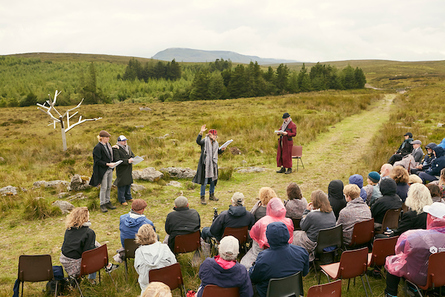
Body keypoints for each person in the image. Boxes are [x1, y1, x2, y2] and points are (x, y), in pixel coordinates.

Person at [384, 202, 445, 297]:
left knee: (394, 261)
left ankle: (391, 294)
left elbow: (400, 250)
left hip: (422, 276)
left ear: (430, 218)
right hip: (441, 276)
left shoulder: (415, 237)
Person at [249, 222, 309, 297]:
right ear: (287, 234)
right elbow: (304, 273)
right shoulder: (301, 251)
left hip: (268, 293)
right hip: (293, 292)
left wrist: (252, 267)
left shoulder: (264, 258)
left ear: (268, 237)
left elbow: (253, 278)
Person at [59, 207, 117, 282]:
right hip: (77, 267)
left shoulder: (69, 229)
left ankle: (108, 265)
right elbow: (89, 254)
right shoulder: (89, 232)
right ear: (85, 217)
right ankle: (92, 279)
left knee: (95, 244)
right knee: (95, 252)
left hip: (65, 262)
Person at [240, 197, 294, 269]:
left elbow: (254, 235)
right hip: (283, 253)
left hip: (266, 253)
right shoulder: (289, 221)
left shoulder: (263, 221)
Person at [292, 190, 336, 260]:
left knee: (294, 235)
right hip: (329, 241)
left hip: (314, 243)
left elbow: (303, 226)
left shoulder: (312, 215)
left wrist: (306, 211)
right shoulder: (331, 212)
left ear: (314, 202)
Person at [134, 224, 177, 295]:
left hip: (147, 287)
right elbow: (174, 264)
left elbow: (138, 269)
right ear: (154, 235)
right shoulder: (164, 248)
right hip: (167, 282)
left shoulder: (138, 252)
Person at [192, 125, 226, 205]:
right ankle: (202, 197)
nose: (215, 137)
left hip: (213, 165)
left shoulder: (216, 143)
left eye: (216, 135)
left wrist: (222, 150)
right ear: (209, 135)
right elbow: (198, 141)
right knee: (204, 181)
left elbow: (216, 152)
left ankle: (211, 195)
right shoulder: (204, 141)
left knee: (213, 181)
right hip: (205, 165)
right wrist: (201, 132)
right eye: (214, 135)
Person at [89, 130, 117, 213]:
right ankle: (102, 204)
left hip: (109, 169)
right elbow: (97, 161)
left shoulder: (108, 145)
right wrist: (107, 164)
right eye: (106, 137)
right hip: (102, 170)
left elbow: (109, 154)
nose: (108, 139)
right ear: (101, 138)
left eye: (108, 137)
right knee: (103, 187)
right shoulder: (97, 147)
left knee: (109, 186)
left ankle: (107, 201)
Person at [112, 135, 135, 206]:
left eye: (125, 140)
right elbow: (117, 159)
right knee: (122, 184)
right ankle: (122, 200)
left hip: (128, 168)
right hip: (121, 169)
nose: (125, 142)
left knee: (128, 182)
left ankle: (128, 197)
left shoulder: (128, 147)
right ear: (119, 142)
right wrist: (127, 161)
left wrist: (133, 158)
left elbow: (132, 155)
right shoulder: (116, 149)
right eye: (123, 141)